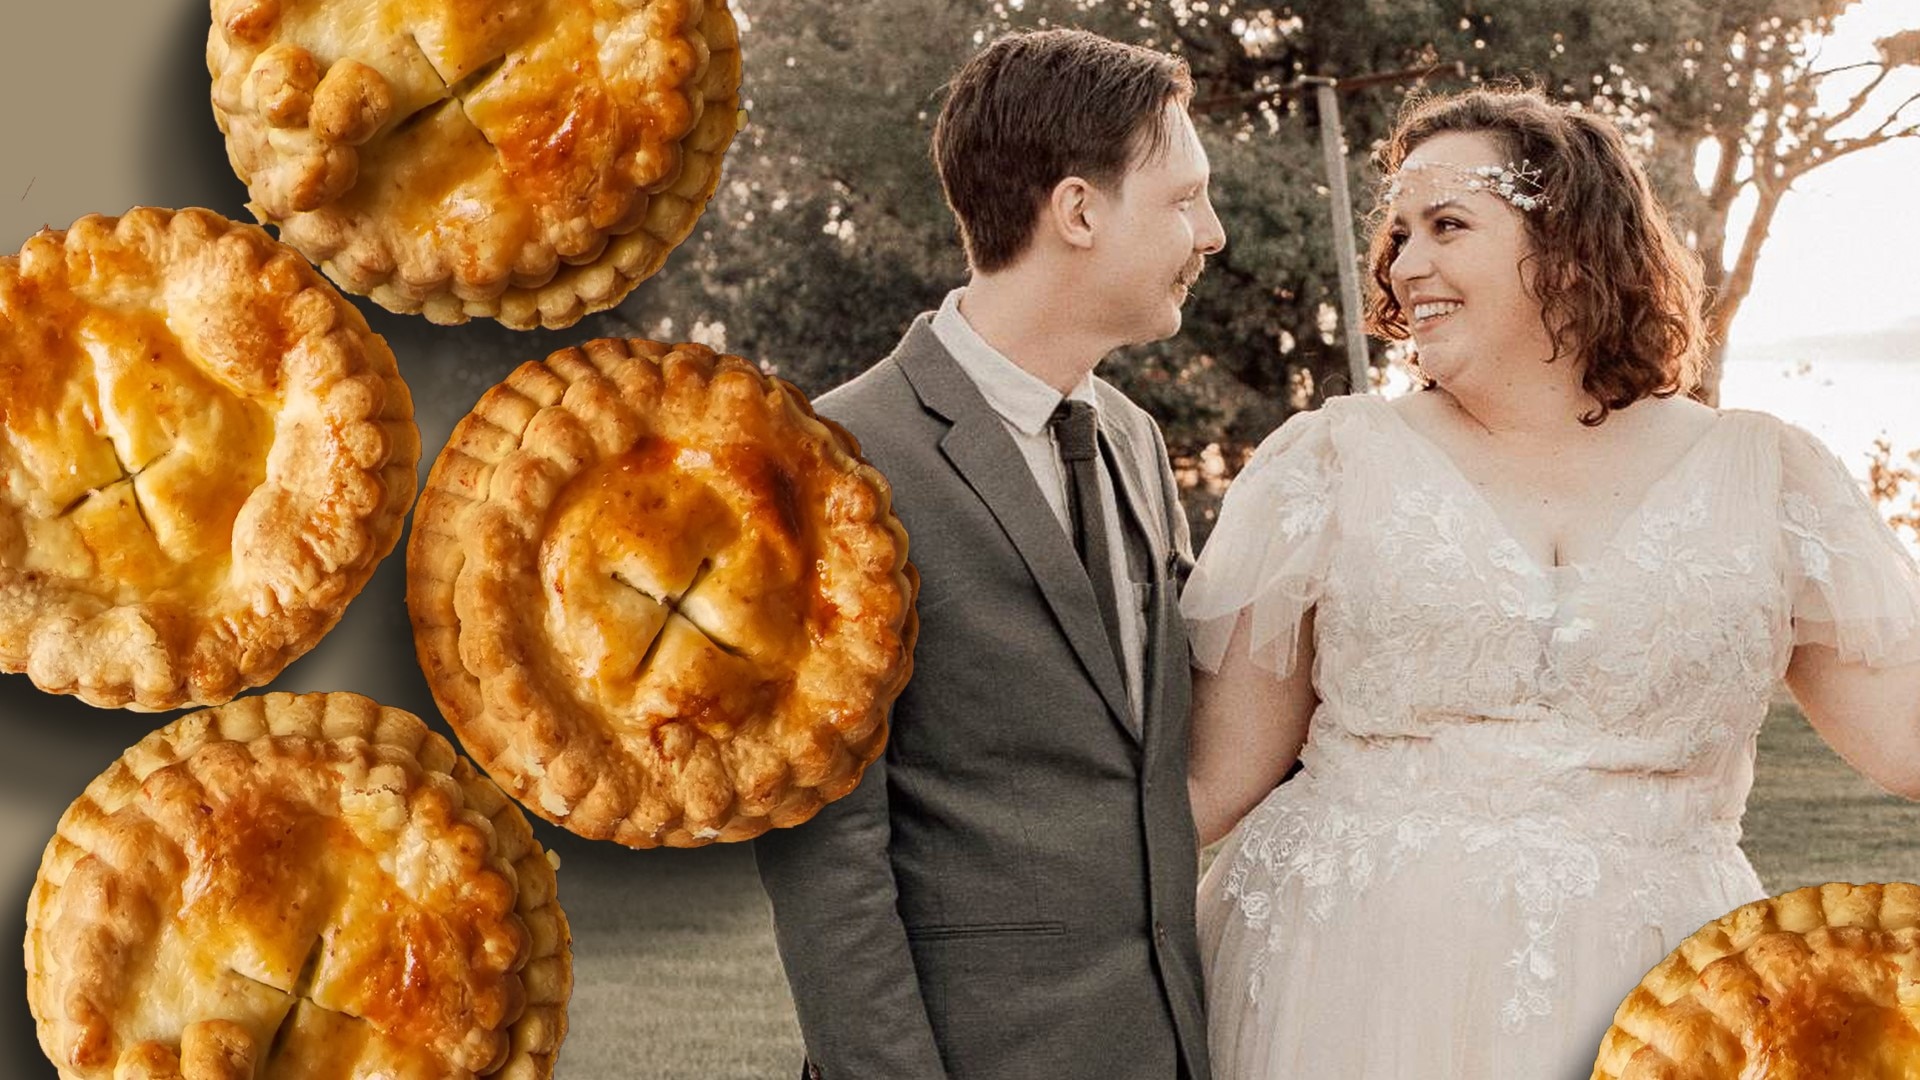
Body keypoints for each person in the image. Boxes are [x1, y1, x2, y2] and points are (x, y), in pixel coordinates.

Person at [1182, 85, 1920, 1078]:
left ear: (1571, 245)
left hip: (1656, 986)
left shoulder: (1768, 476)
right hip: (1340, 978)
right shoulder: (1330, 461)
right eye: (1399, 235)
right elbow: (1209, 783)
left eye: (1448, 225)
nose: (1405, 266)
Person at [754, 28, 1227, 1080]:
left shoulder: (1137, 444)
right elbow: (828, 870)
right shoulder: (828, 462)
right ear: (1078, 210)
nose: (1214, 232)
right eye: (1185, 199)